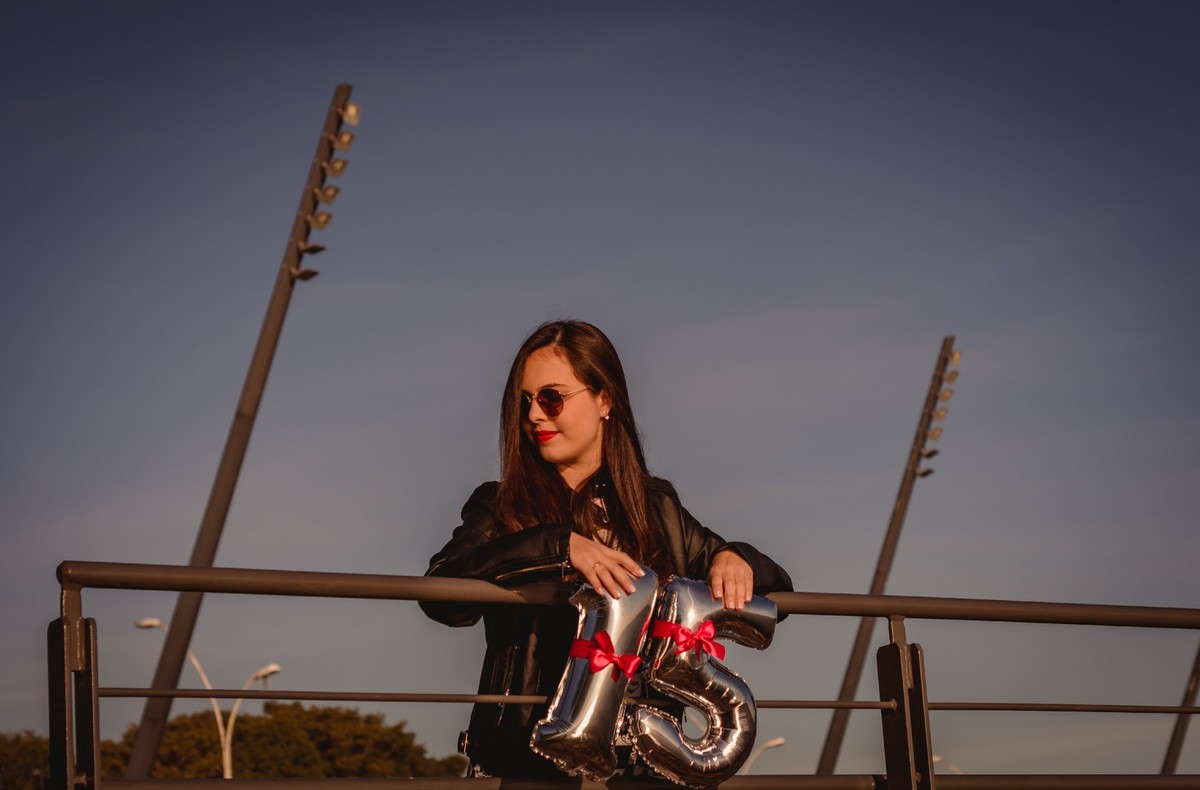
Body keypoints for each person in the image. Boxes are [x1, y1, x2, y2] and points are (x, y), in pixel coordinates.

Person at [419, 320, 793, 778]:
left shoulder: (656, 507)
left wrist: (734, 556)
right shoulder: (500, 506)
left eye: (551, 398)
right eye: (524, 402)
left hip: (645, 771)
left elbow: (778, 589)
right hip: (529, 766)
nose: (535, 415)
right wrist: (561, 548)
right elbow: (440, 592)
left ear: (604, 400)